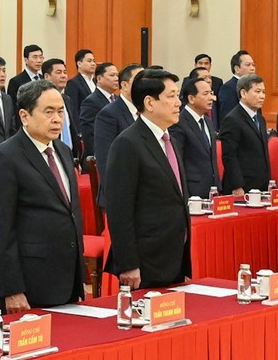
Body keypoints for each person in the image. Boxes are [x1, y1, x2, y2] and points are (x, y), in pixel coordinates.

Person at [0, 79, 84, 310]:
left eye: (60, 111)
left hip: (68, 275)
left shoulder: (63, 151)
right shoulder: (4, 157)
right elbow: (1, 228)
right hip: (31, 280)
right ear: (24, 115)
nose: (57, 119)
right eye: (48, 112)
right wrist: (11, 288)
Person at [103, 69, 191, 289]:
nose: (178, 103)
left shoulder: (170, 140)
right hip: (145, 261)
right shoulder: (128, 143)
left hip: (173, 255)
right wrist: (128, 263)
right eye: (171, 96)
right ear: (150, 102)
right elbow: (119, 209)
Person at [170, 70, 221, 199]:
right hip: (191, 192)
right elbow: (177, 160)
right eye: (205, 94)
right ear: (191, 98)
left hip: (212, 190)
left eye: (211, 93)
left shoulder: (208, 122)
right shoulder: (178, 123)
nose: (211, 98)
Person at [218, 73, 272, 194]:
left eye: (263, 92)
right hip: (242, 186)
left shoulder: (260, 118)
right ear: (243, 93)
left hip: (261, 184)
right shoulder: (232, 119)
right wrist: (237, 186)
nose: (262, 96)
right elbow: (229, 156)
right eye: (257, 91)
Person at [92, 65, 140, 183]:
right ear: (124, 85)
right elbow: (105, 162)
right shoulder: (109, 114)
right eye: (139, 81)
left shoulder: (146, 112)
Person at [79, 62, 119, 158]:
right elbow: (89, 134)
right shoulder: (91, 101)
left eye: (117, 75)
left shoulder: (117, 99)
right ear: (99, 78)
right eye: (112, 75)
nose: (116, 78)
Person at [216, 51, 255, 117]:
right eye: (248, 65)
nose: (252, 68)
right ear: (237, 69)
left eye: (253, 65)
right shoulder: (228, 88)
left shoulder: (253, 86)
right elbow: (228, 117)